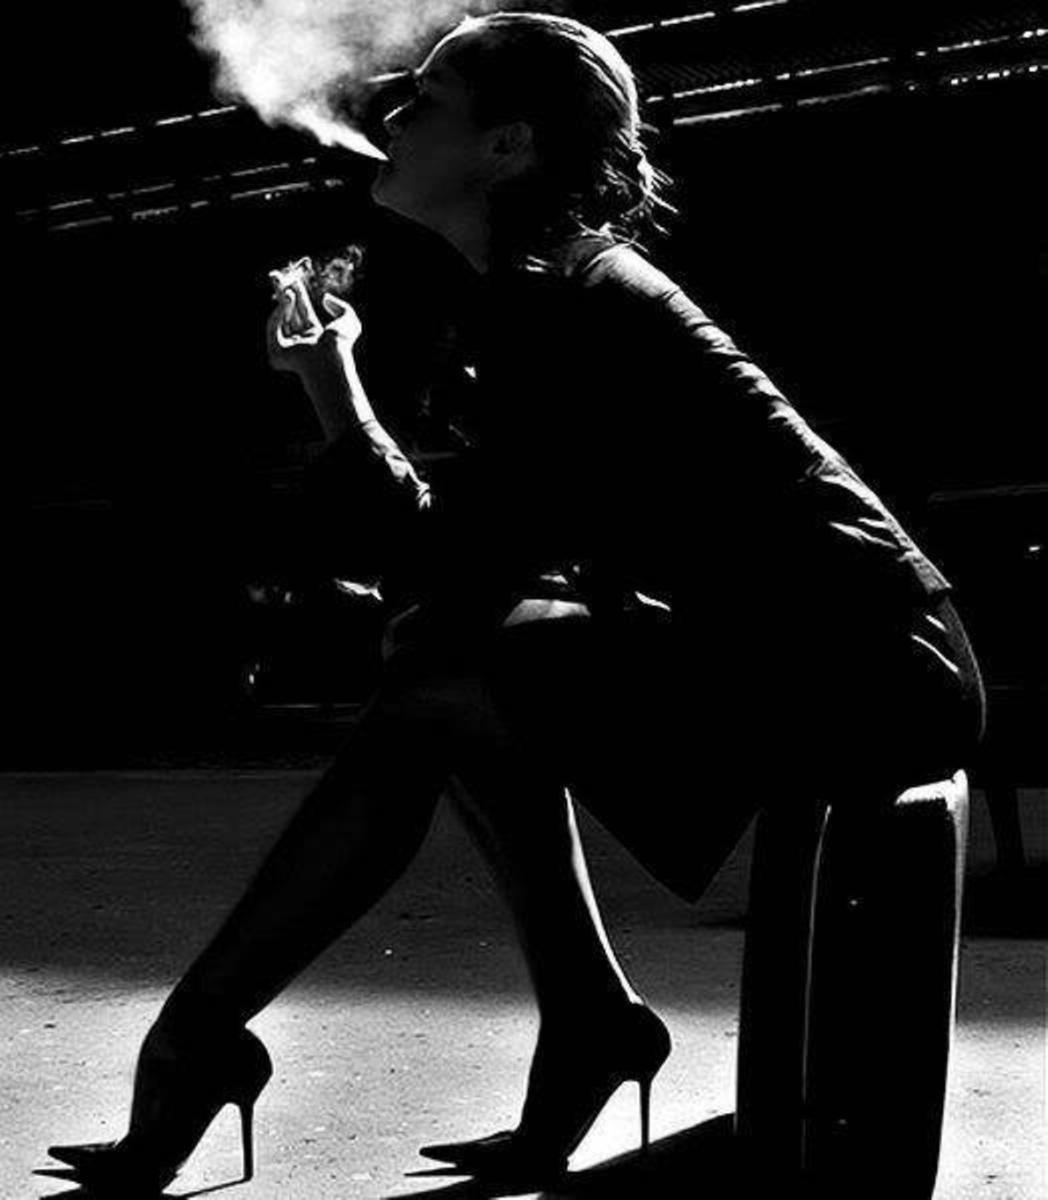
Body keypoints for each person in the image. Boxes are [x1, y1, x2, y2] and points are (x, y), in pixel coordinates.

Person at [47, 11, 985, 1192]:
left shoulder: (568, 307)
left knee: (443, 675)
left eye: (427, 102)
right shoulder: (544, 290)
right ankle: (578, 1019)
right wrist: (338, 393)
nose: (391, 117)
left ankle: (199, 1037)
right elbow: (455, 566)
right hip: (806, 648)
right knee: (451, 660)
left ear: (507, 148)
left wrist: (336, 392)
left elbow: (449, 560)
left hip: (868, 670)